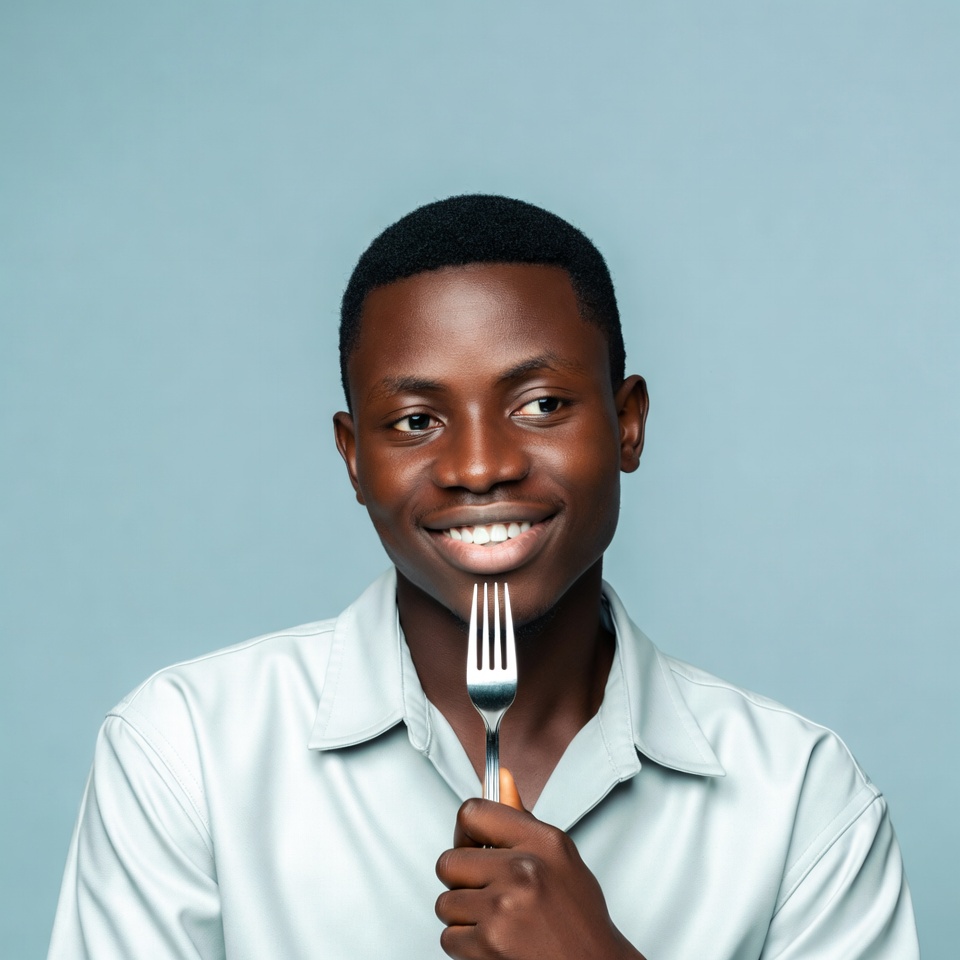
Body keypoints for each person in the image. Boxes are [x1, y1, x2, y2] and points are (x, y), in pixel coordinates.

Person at [48, 195, 919, 959]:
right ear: (355, 461)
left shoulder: (800, 797)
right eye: (417, 420)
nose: (478, 466)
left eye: (540, 405)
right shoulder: (187, 754)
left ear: (627, 424)